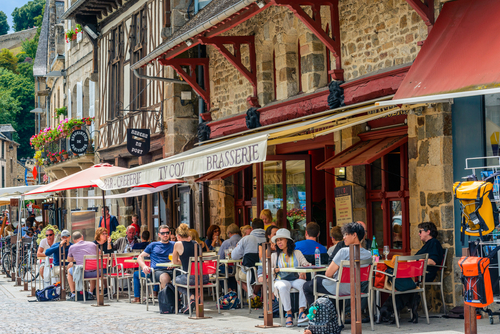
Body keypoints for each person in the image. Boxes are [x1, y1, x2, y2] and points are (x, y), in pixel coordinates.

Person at [303, 222, 372, 306]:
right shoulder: (368, 254)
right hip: (357, 288)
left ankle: (317, 316)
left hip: (339, 288)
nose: (344, 237)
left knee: (307, 286)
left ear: (354, 235)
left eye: (346, 234)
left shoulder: (344, 251)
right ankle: (334, 314)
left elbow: (328, 274)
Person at [271, 228, 311, 327]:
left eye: (281, 239)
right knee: (283, 287)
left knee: (304, 285)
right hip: (281, 279)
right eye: (277, 240)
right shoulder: (274, 255)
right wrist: (273, 270)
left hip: (295, 279)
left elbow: (306, 264)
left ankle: (301, 312)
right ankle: (288, 313)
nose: (279, 242)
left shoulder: (297, 253)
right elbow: (267, 269)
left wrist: (303, 270)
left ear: (287, 241)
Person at [172, 223, 209, 314]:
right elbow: (199, 258)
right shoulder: (195, 243)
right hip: (204, 277)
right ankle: (192, 301)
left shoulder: (178, 244)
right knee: (189, 280)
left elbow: (175, 262)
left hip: (191, 277)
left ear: (178, 236)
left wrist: (184, 261)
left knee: (174, 281)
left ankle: (192, 297)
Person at [133, 225, 175, 303]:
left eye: (167, 233)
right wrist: (144, 266)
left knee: (186, 277)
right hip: (157, 271)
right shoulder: (153, 245)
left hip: (173, 269)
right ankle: (167, 303)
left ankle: (184, 301)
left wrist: (173, 262)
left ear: (169, 233)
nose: (165, 235)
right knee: (165, 277)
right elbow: (140, 257)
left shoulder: (174, 244)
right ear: (159, 235)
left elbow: (182, 257)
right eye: (163, 233)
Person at [232, 218, 266, 294]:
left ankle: (252, 295)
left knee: (237, 276)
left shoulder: (246, 239)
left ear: (252, 228)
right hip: (263, 272)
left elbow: (234, 256)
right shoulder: (268, 239)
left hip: (248, 272)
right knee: (260, 275)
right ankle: (255, 294)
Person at [66, 231, 99, 301]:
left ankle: (73, 293)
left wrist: (75, 258)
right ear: (82, 237)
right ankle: (91, 292)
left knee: (69, 271)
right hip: (94, 273)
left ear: (74, 240)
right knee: (92, 267)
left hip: (81, 272)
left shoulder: (72, 247)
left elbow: (69, 259)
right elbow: (99, 254)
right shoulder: (92, 244)